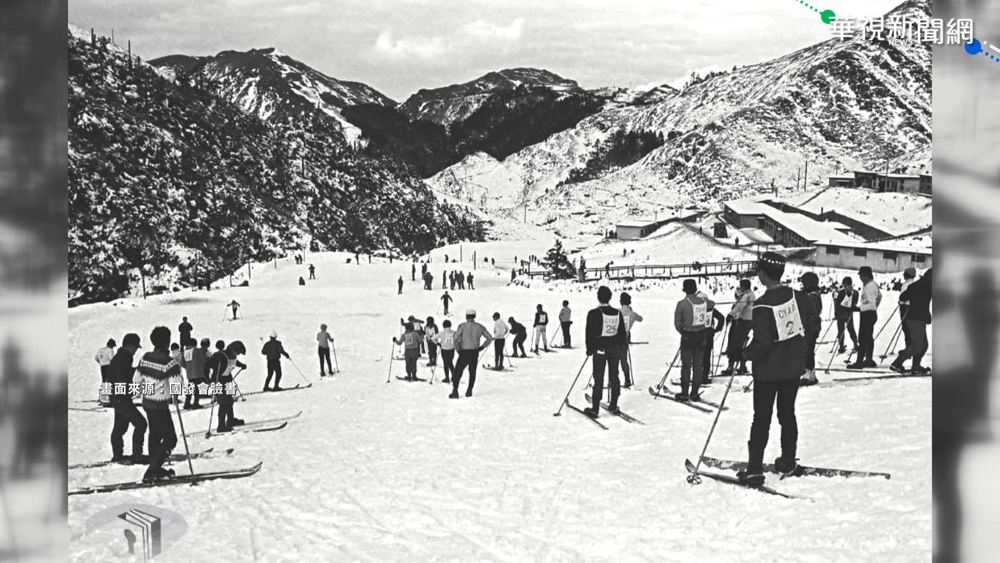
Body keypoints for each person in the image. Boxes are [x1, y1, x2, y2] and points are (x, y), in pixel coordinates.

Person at [738, 252, 819, 486]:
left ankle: (754, 470)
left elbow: (762, 344)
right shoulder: (799, 297)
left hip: (767, 371)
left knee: (761, 419)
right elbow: (812, 324)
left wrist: (745, 353)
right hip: (792, 368)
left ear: (762, 275)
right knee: (787, 414)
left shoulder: (762, 304)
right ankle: (787, 460)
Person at [137, 326, 184, 483]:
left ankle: (155, 467)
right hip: (160, 405)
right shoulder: (170, 363)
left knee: (155, 434)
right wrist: (175, 396)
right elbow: (176, 382)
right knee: (170, 439)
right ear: (168, 342)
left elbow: (137, 380)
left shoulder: (145, 358)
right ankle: (152, 469)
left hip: (147, 402)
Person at [584, 286, 627, 418]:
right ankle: (613, 404)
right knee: (614, 377)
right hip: (614, 349)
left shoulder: (593, 313)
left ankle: (595, 408)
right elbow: (622, 334)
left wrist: (589, 349)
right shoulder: (617, 313)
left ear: (598, 297)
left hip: (600, 349)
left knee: (599, 378)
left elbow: (589, 334)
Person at [109, 333, 147, 465]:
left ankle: (118, 455)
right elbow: (122, 377)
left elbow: (124, 373)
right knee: (141, 423)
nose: (136, 350)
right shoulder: (124, 358)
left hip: (117, 397)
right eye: (136, 347)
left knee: (120, 427)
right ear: (130, 346)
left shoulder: (121, 357)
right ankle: (137, 455)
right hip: (121, 397)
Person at [673, 279, 714, 401]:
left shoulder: (682, 304)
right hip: (702, 336)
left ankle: (685, 392)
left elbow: (677, 323)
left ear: (684, 289)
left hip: (688, 337)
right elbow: (712, 303)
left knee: (686, 366)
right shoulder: (703, 301)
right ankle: (695, 392)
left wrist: (684, 331)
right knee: (698, 365)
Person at [891, 268, 932, 374]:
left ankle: (916, 366)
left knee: (923, 345)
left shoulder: (914, 285)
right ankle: (897, 363)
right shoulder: (929, 285)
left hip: (912, 317)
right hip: (917, 318)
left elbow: (903, 297)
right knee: (918, 345)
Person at [450, 309, 493, 398]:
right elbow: (489, 338)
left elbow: (455, 339)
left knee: (458, 372)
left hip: (464, 352)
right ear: (474, 316)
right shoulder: (480, 327)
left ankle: (455, 391)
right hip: (474, 352)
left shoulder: (462, 326)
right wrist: (482, 347)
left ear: (466, 316)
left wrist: (458, 349)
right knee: (472, 372)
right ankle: (469, 390)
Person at [848, 266, 881, 369]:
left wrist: (859, 308)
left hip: (867, 314)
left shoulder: (869, 287)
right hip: (870, 314)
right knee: (868, 338)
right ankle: (869, 359)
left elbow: (871, 304)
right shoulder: (872, 284)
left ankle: (859, 362)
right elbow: (879, 297)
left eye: (862, 276)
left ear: (866, 276)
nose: (860, 278)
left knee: (863, 338)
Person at [210, 340, 247, 433]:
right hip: (218, 381)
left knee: (230, 401)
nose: (237, 354)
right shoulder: (221, 355)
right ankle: (221, 426)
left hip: (228, 380)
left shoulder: (232, 356)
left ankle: (230, 420)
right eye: (237, 352)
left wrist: (242, 365)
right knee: (223, 403)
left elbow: (234, 362)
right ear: (232, 349)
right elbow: (209, 364)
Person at [722, 280, 755, 376]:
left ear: (744, 287)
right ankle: (742, 365)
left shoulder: (746, 296)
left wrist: (731, 314)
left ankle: (731, 366)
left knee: (735, 343)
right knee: (742, 343)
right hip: (746, 321)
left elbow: (739, 307)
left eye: (741, 286)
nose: (740, 288)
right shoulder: (749, 295)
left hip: (743, 322)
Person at [798, 272, 824, 386]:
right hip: (810, 327)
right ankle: (811, 374)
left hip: (810, 327)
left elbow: (810, 312)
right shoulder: (811, 294)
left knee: (807, 351)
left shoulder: (813, 296)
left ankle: (808, 375)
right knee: (808, 351)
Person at [619, 293, 643, 387]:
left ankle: (612, 380)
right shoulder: (632, 314)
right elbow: (640, 319)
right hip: (625, 338)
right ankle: (627, 379)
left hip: (615, 338)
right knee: (624, 360)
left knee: (613, 359)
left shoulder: (617, 311)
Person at [833, 277, 859, 354]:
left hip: (845, 314)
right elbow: (854, 303)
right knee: (844, 330)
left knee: (848, 330)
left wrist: (836, 313)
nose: (844, 287)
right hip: (846, 314)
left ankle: (853, 344)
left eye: (845, 285)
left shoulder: (852, 293)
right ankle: (844, 345)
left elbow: (837, 304)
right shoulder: (854, 293)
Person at [897, 267, 917, 361]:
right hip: (912, 308)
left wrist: (901, 302)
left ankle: (908, 349)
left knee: (906, 329)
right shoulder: (914, 283)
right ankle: (909, 349)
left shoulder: (907, 284)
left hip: (905, 307)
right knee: (909, 330)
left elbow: (903, 297)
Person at [702, 305, 725, 383]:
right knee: (706, 356)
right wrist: (717, 329)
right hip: (709, 334)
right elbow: (721, 318)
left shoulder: (696, 307)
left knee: (698, 356)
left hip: (698, 334)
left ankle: (699, 376)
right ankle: (704, 376)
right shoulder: (711, 308)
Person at [182, 337, 207, 409]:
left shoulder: (185, 352)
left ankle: (187, 403)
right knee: (197, 389)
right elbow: (203, 360)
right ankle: (196, 403)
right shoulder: (196, 350)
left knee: (190, 387)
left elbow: (182, 362)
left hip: (189, 373)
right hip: (198, 372)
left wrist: (188, 367)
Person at [95, 338, 116, 405]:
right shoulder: (110, 350)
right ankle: (107, 397)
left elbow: (96, 358)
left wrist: (100, 362)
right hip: (108, 366)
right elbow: (112, 359)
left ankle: (102, 396)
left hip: (102, 366)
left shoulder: (100, 350)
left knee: (104, 381)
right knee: (109, 381)